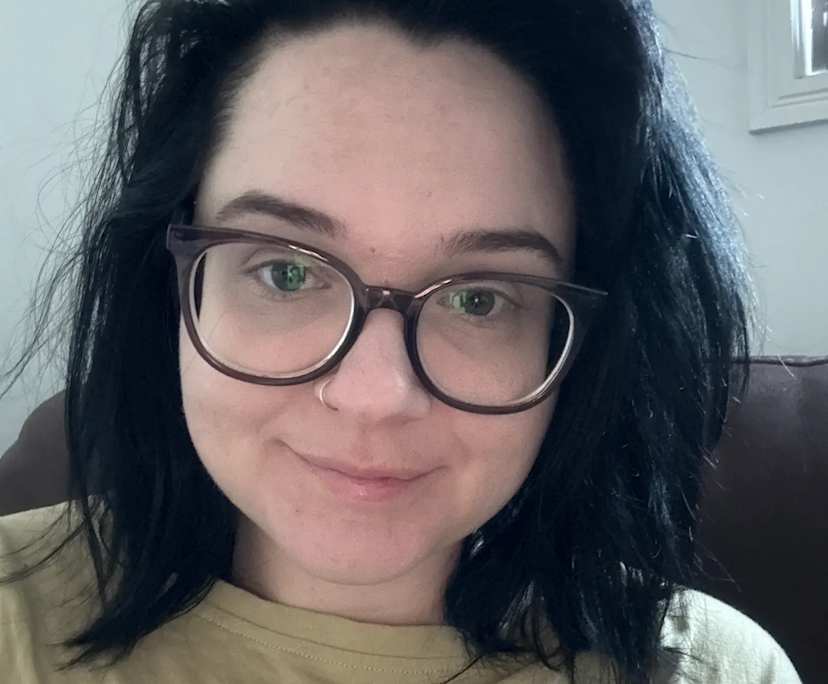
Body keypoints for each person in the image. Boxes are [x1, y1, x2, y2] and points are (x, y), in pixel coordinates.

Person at [0, 1, 802, 682]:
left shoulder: (708, 670)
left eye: (479, 299)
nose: (375, 395)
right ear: (172, 289)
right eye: (286, 272)